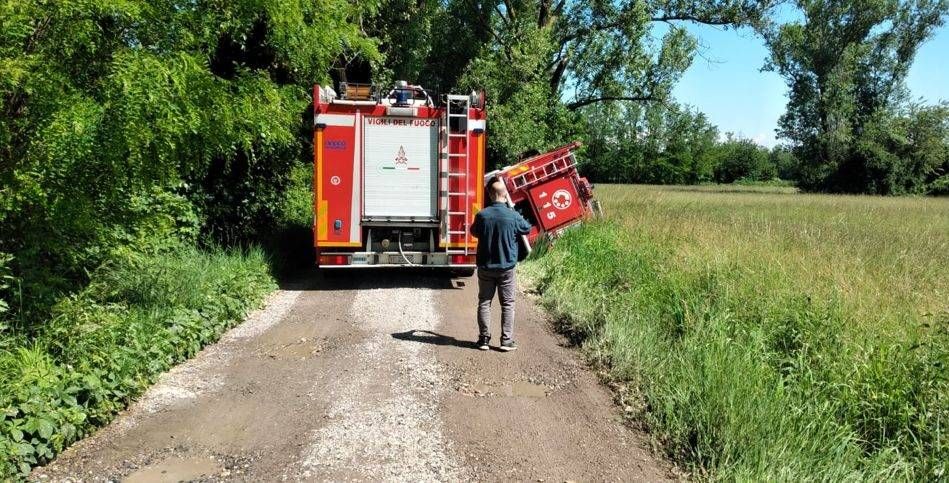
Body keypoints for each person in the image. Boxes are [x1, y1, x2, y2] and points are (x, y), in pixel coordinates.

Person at [469, 179, 533, 352]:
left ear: (490, 195)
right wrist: (515, 213)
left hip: (485, 267)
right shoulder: (513, 216)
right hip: (506, 268)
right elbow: (527, 228)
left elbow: (473, 231)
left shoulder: (482, 215)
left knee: (484, 302)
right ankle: (506, 341)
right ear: (505, 195)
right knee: (508, 304)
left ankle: (483, 339)